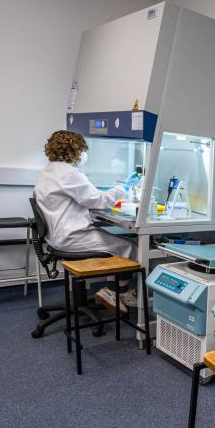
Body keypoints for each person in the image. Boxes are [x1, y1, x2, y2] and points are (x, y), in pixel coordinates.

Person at [34, 131, 139, 309]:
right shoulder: (68, 173)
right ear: (75, 150)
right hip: (72, 237)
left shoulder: (49, 170)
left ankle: (112, 291)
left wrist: (107, 193)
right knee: (129, 247)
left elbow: (86, 197)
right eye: (82, 149)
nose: (83, 153)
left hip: (57, 235)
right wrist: (123, 188)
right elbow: (98, 200)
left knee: (114, 242)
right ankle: (116, 293)